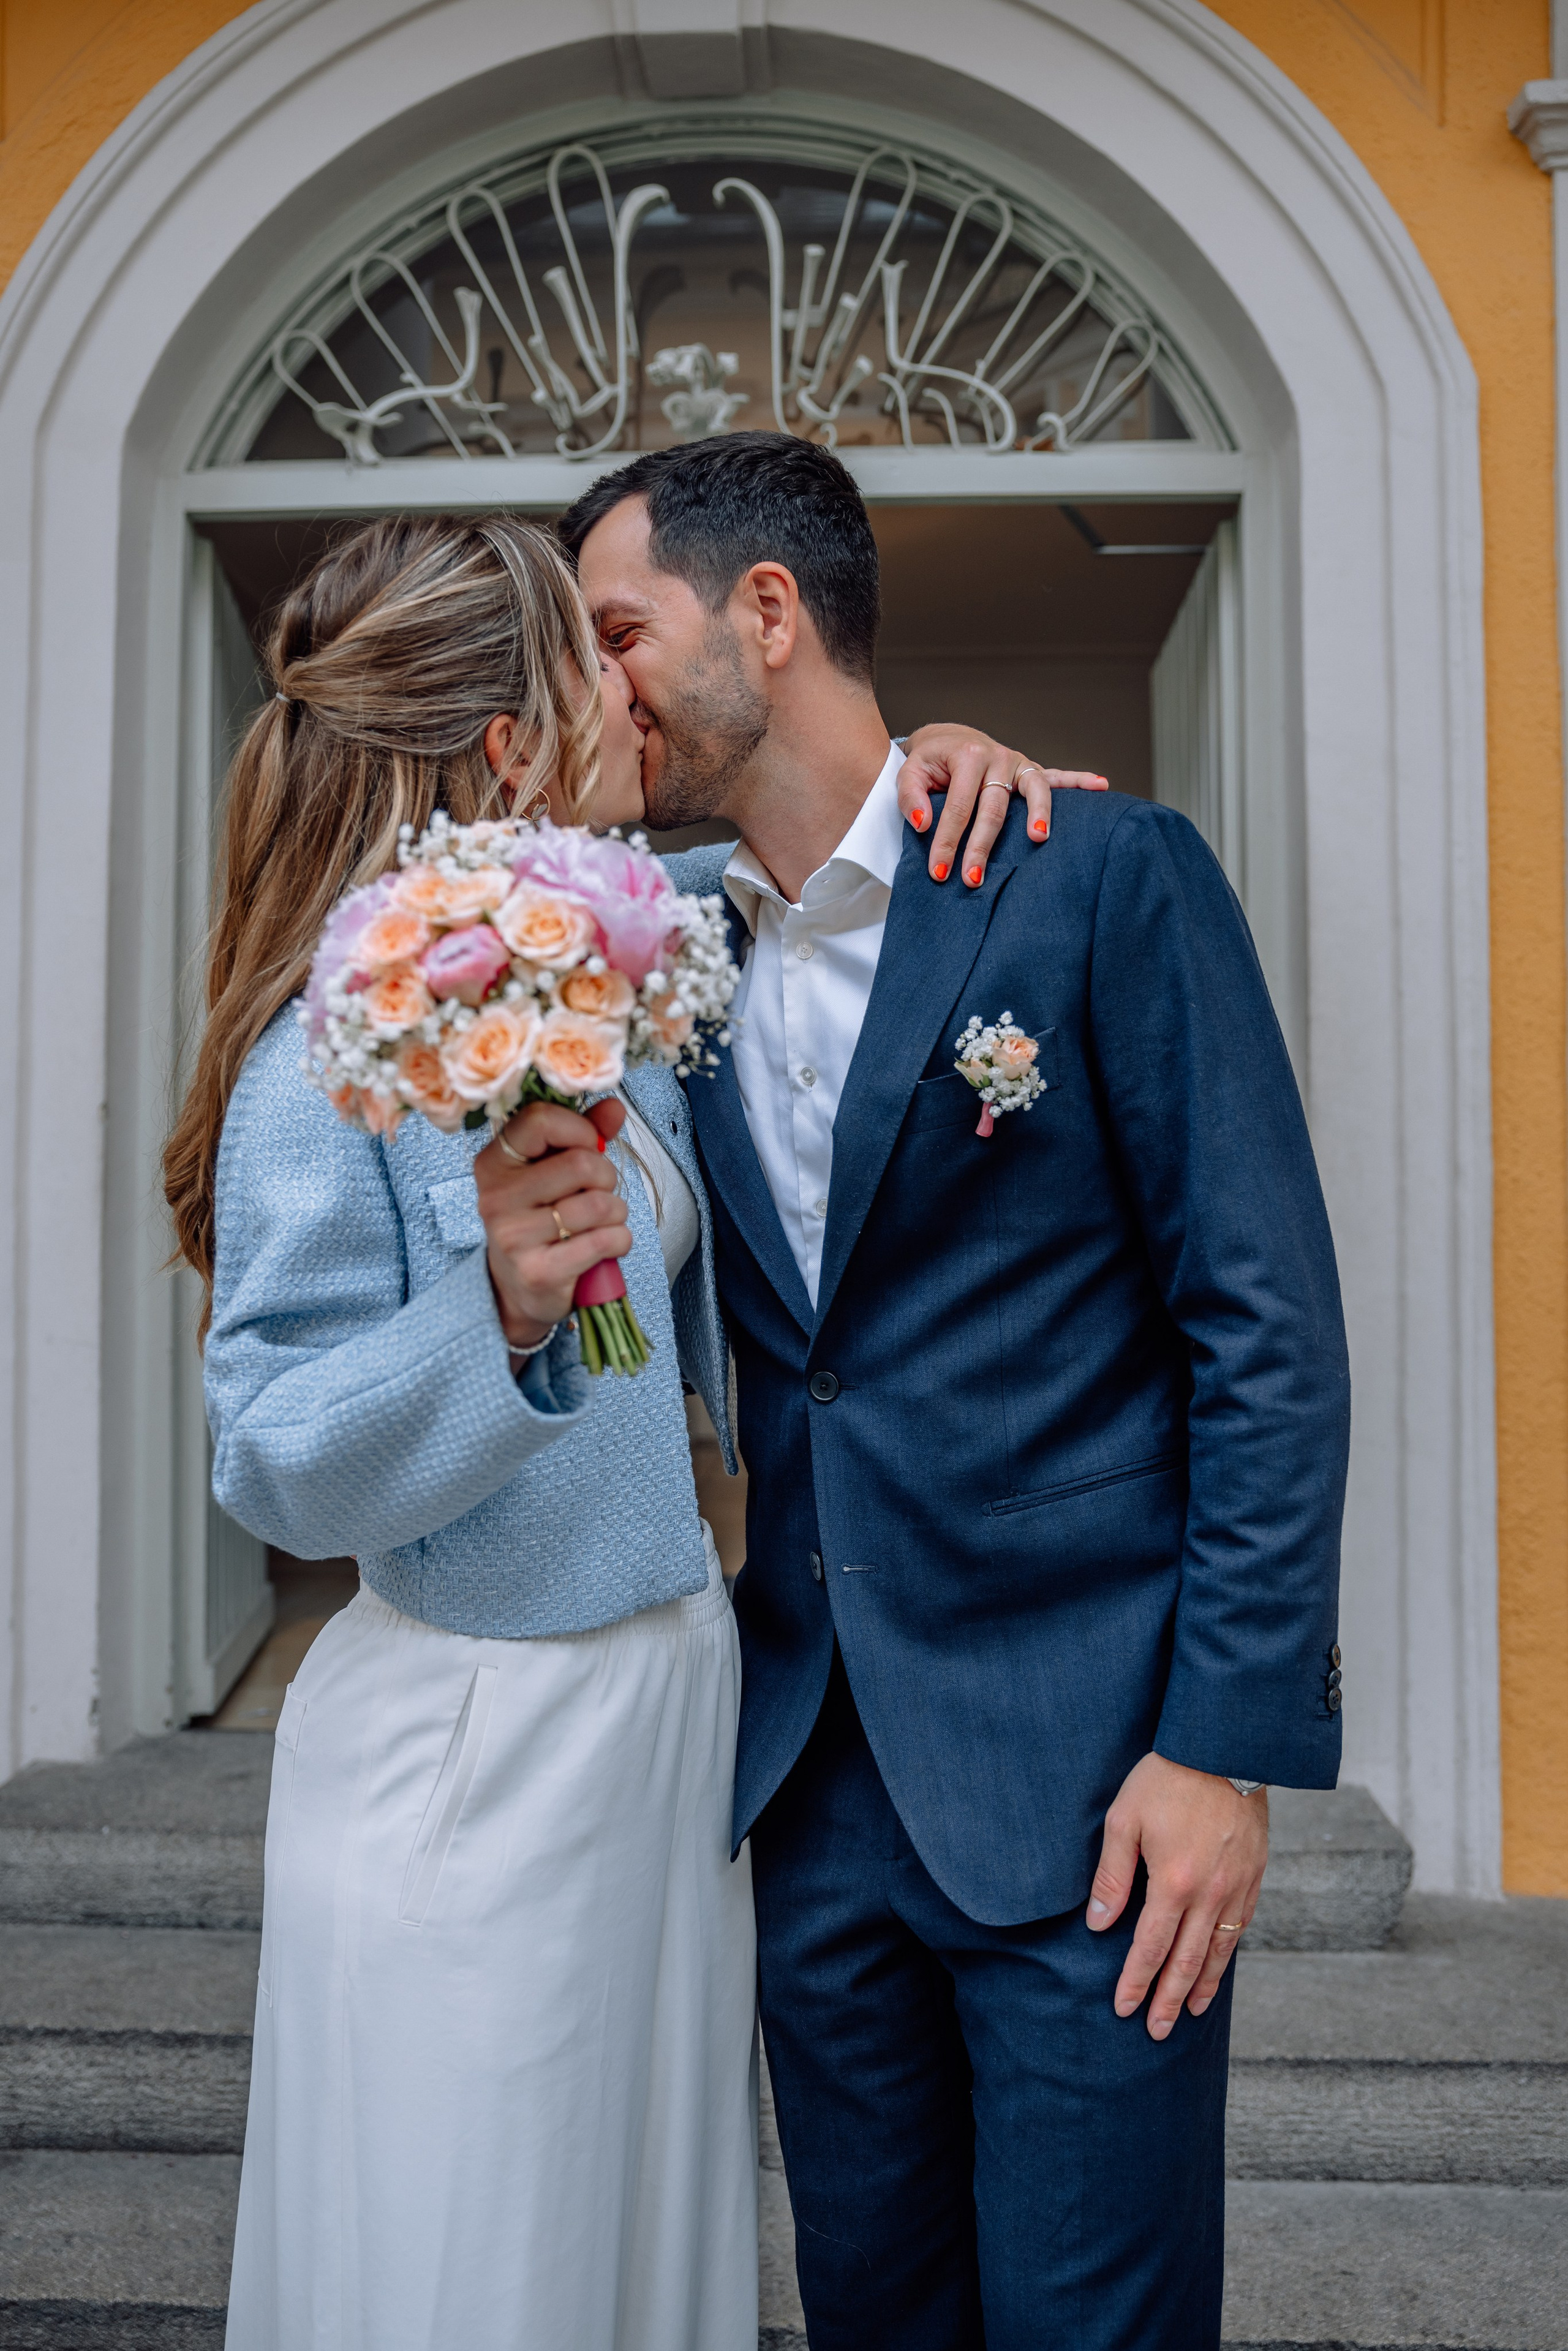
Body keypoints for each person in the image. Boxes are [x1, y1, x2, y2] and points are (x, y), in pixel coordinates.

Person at [163, 510, 1074, 2351]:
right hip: (483, 1742)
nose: (630, 682)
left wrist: (945, 780)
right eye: (593, 653)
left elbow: (831, 891)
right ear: (515, 741)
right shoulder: (328, 1055)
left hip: (667, 1716)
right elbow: (266, 1450)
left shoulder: (623, 979)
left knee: (633, 2265)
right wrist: (490, 1319)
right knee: (480, 2281)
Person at [562, 432, 1352, 2351]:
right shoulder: (637, 957)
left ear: (770, 610)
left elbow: (1265, 1330)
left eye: (616, 634)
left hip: (1094, 1789)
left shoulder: (1100, 879)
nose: (598, 689)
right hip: (813, 1789)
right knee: (873, 2316)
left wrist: (1220, 1747)